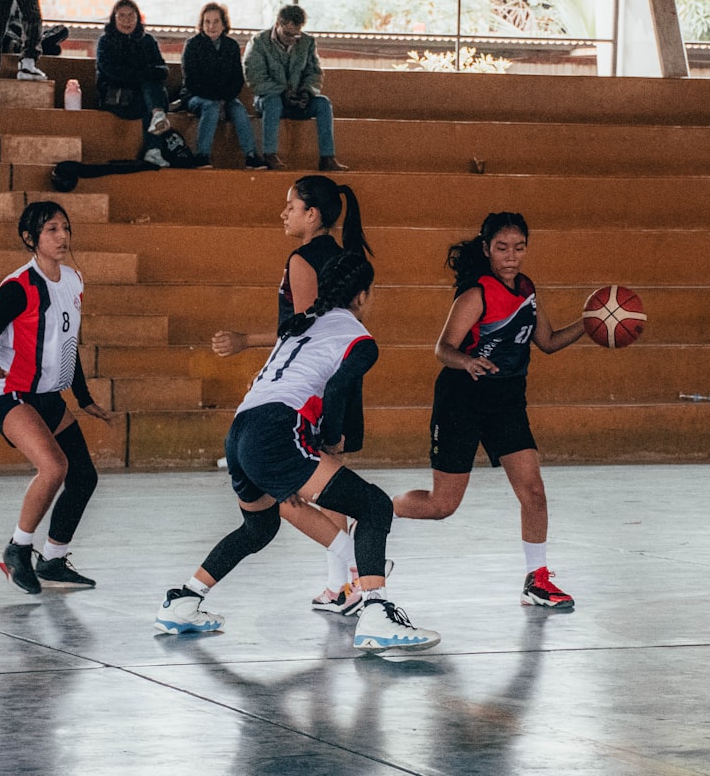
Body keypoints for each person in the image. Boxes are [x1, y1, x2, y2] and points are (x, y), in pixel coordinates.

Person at [156, 252, 440, 653]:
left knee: (259, 527)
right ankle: (376, 612)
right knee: (375, 505)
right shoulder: (359, 337)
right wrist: (330, 440)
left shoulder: (299, 325)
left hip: (240, 431)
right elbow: (339, 389)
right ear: (363, 296)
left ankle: (184, 601)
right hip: (277, 430)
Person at [393, 212, 586, 609]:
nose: (511, 256)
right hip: (463, 398)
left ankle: (537, 580)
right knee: (441, 505)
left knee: (534, 492)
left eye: (519, 248)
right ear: (486, 250)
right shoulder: (476, 294)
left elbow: (547, 342)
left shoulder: (528, 291)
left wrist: (592, 323)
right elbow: (443, 348)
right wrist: (467, 362)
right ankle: (376, 508)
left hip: (507, 401)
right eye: (502, 248)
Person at [212, 175, 374, 613]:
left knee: (304, 486)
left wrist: (248, 342)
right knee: (333, 479)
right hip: (339, 375)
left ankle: (345, 582)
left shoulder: (303, 259)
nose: (284, 214)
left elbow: (306, 331)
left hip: (311, 387)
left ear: (312, 214)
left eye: (291, 206)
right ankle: (340, 583)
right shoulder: (346, 259)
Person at [0, 201, 112, 594]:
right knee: (54, 468)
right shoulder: (19, 286)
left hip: (50, 396)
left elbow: (69, 344)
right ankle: (18, 549)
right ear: (30, 239)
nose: (62, 236)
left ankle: (52, 559)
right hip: (12, 394)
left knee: (84, 476)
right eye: (51, 230)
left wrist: (83, 397)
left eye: (65, 228)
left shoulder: (73, 280)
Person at [243, 4, 347, 173]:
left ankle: (327, 158)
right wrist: (282, 92)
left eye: (296, 35)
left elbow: (314, 72)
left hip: (298, 99)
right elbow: (254, 77)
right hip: (269, 99)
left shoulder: (308, 42)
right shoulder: (258, 42)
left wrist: (307, 91)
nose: (292, 38)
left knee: (323, 103)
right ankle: (270, 155)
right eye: (288, 34)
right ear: (278, 24)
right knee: (273, 101)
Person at [179, 2, 265, 170]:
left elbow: (237, 79)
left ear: (224, 23)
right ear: (202, 24)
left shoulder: (231, 46)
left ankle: (251, 156)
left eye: (216, 21)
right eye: (207, 22)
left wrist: (224, 99)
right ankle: (202, 156)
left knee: (239, 110)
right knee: (210, 106)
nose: (211, 26)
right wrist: (217, 99)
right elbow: (192, 80)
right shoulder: (193, 45)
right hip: (195, 96)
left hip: (226, 98)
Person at [95, 0, 173, 168]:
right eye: (121, 16)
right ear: (113, 18)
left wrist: (147, 75)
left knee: (153, 89)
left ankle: (154, 146)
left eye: (131, 16)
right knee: (150, 88)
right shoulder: (105, 41)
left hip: (142, 96)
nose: (127, 20)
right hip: (116, 97)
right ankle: (154, 144)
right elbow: (112, 72)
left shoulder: (148, 41)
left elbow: (162, 68)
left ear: (138, 18)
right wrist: (143, 75)